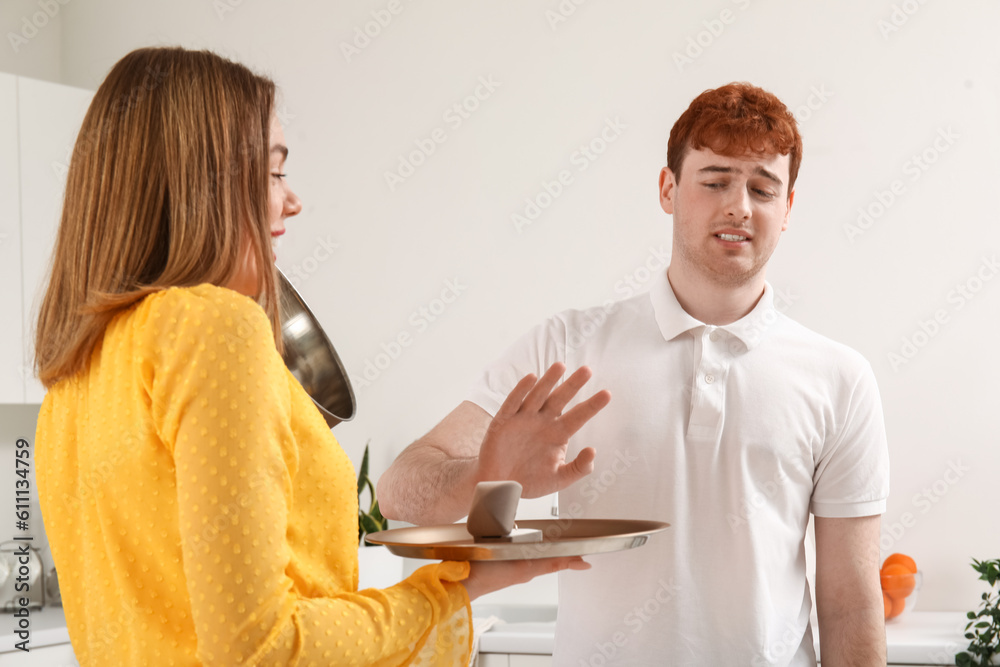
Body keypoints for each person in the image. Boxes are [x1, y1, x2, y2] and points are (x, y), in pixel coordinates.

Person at [32, 46, 590, 666]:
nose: (291, 201)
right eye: (274, 174)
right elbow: (261, 650)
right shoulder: (216, 327)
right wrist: (450, 588)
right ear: (206, 180)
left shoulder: (74, 376)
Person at [378, 82, 891, 666]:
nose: (740, 206)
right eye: (716, 180)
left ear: (788, 208)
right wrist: (487, 479)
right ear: (668, 189)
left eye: (762, 188)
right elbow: (399, 488)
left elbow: (850, 603)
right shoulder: (565, 346)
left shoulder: (840, 378)